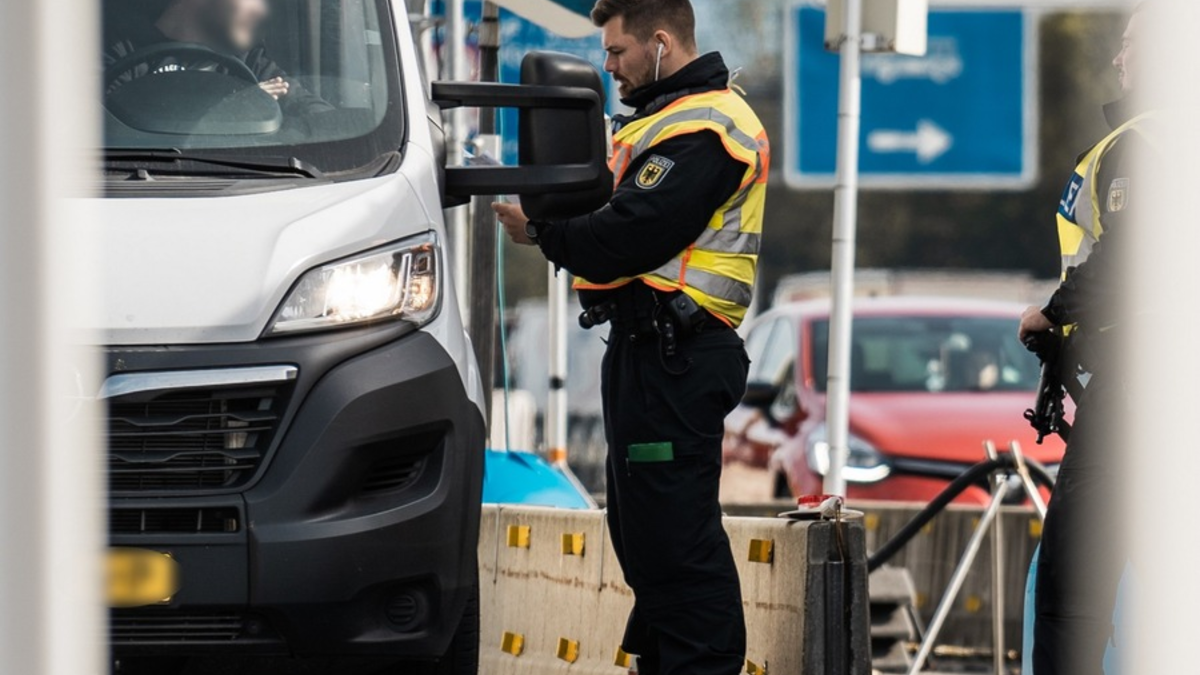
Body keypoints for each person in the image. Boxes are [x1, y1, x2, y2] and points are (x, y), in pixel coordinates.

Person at [494, 1, 768, 673]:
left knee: (677, 540)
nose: (608, 66)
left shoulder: (709, 126)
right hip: (649, 354)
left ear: (661, 43)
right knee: (647, 536)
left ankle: (700, 664)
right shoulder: (663, 119)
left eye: (617, 52)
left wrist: (542, 233)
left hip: (679, 355)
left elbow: (634, 231)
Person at [1018, 3, 1156, 672]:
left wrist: (1051, 313)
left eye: (1129, 46)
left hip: (1140, 386)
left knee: (1074, 581)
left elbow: (1133, 253)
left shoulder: (1149, 138)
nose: (1117, 59)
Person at [103, 0, 331, 116]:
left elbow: (316, 114)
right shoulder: (119, 52)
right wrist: (230, 108)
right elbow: (101, 123)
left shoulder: (251, 63)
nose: (262, 10)